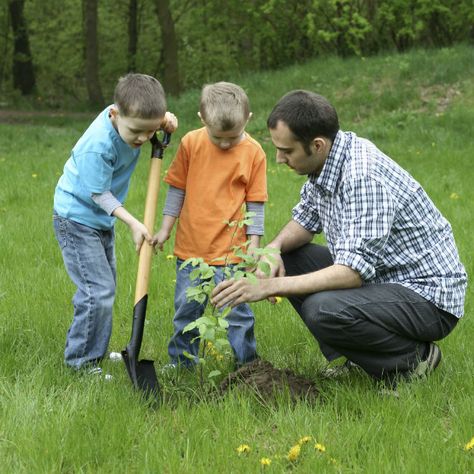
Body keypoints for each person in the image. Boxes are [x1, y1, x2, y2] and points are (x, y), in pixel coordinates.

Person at [211, 90, 467, 385]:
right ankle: (361, 358)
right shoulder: (328, 160)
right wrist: (272, 249)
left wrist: (271, 286)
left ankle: (413, 360)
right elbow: (306, 219)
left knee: (323, 310)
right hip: (385, 278)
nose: (279, 159)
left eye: (287, 150)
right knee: (290, 257)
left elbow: (352, 273)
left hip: (427, 298)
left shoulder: (362, 177)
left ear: (317, 145)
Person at [53, 73, 177, 372]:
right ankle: (81, 362)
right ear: (114, 114)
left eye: (150, 132)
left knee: (105, 288)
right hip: (77, 217)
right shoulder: (98, 146)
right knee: (98, 291)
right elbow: (99, 195)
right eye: (137, 132)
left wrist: (167, 123)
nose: (143, 139)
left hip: (98, 222)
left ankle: (94, 351)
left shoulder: (134, 116)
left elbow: (154, 122)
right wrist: (133, 223)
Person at [153, 81, 267, 369]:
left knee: (237, 313)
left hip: (232, 253)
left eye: (234, 136)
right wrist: (165, 229)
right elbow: (177, 189)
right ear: (203, 120)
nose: (226, 144)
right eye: (219, 138)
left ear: (247, 120)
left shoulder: (254, 153)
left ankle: (248, 366)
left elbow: (255, 205)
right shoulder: (191, 143)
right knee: (186, 310)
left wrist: (254, 248)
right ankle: (182, 363)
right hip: (190, 250)